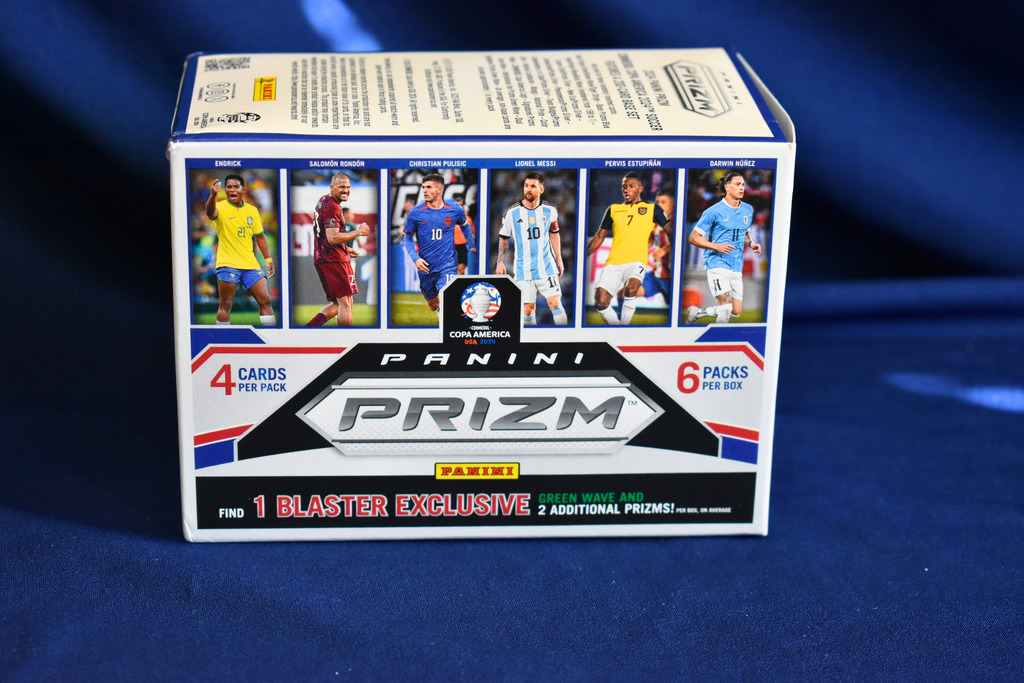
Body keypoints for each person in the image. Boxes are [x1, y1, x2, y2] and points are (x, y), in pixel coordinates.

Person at [585, 171, 670, 325]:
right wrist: (583, 255)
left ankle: (624, 327)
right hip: (614, 262)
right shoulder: (613, 209)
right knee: (601, 301)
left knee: (631, 289)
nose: (626, 189)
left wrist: (669, 249)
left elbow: (672, 231)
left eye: (631, 186)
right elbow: (599, 237)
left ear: (640, 189)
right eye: (624, 186)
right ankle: (617, 327)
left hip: (637, 261)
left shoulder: (652, 209)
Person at [685, 171, 762, 324]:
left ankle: (697, 312)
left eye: (743, 185)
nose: (741, 188)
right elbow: (693, 237)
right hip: (717, 262)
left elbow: (744, 234)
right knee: (725, 307)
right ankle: (719, 336)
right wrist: (716, 247)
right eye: (737, 184)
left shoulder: (748, 209)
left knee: (735, 311)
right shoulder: (713, 211)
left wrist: (752, 244)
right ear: (727, 187)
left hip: (736, 264)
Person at [495, 171, 568, 325]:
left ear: (542, 189)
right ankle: (531, 337)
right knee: (528, 310)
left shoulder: (550, 211)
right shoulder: (512, 213)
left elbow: (554, 234)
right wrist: (500, 261)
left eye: (533, 186)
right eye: (526, 186)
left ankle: (564, 336)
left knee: (555, 302)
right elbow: (504, 238)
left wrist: (559, 260)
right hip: (523, 268)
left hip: (546, 265)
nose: (528, 189)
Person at [204, 173, 276, 326]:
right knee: (226, 304)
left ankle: (272, 335)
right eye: (229, 187)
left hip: (250, 264)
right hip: (228, 263)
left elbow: (260, 237)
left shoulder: (252, 210)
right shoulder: (220, 206)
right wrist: (213, 195)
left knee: (265, 300)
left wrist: (268, 259)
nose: (232, 190)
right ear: (225, 190)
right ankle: (223, 337)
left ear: (243, 190)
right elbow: (210, 213)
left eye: (236, 187)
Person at [402, 173, 476, 314]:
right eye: (423, 187)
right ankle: (441, 315)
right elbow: (407, 239)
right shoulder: (416, 212)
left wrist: (471, 244)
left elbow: (465, 225)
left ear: (439, 189)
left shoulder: (455, 209)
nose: (425, 190)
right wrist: (416, 259)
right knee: (433, 305)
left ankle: (448, 324)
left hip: (447, 264)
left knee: (446, 297)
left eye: (429, 187)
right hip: (426, 266)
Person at [306, 173, 372, 326]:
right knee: (346, 303)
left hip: (325, 257)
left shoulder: (323, 200)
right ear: (331, 187)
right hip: (334, 259)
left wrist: (345, 248)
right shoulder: (332, 206)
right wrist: (358, 232)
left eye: (348, 187)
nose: (346, 190)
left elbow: (325, 236)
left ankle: (307, 330)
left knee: (338, 304)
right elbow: (333, 238)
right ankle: (346, 337)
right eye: (341, 186)